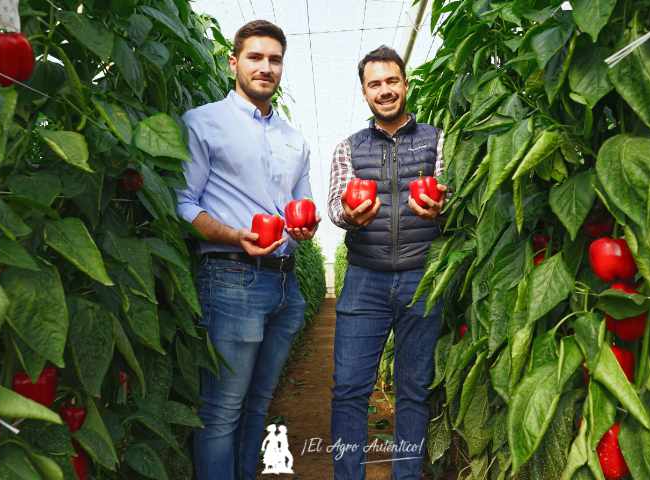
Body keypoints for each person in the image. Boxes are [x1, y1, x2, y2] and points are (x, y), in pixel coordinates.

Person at [176, 19, 319, 480]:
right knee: (221, 411)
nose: (266, 67)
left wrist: (306, 227)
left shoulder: (294, 139)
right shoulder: (203, 122)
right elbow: (182, 203)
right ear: (234, 62)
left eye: (275, 59)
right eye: (255, 57)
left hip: (284, 284)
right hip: (231, 277)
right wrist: (234, 235)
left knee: (259, 403)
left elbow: (304, 205)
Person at [327, 45, 447, 480]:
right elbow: (336, 206)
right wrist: (349, 216)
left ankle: (406, 475)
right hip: (365, 279)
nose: (385, 90)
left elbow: (448, 194)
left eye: (391, 81)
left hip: (421, 276)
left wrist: (441, 209)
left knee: (413, 391)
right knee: (349, 390)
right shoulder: (348, 148)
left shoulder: (436, 139)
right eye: (375, 84)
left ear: (405, 84)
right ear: (365, 93)